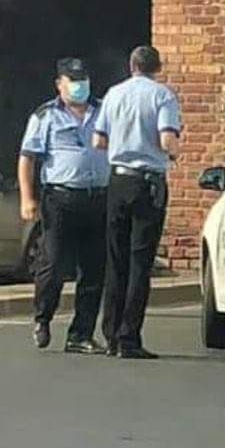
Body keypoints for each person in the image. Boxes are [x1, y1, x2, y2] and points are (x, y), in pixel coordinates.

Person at [93, 45, 182, 360]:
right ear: (157, 67)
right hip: (147, 183)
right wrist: (174, 154)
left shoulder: (113, 94)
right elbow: (166, 139)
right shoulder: (163, 96)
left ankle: (110, 335)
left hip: (117, 180)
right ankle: (129, 337)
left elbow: (98, 141)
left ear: (131, 66)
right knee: (140, 261)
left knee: (115, 260)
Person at [19, 57, 110, 353]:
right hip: (60, 199)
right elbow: (27, 158)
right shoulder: (45, 116)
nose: (80, 85)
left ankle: (80, 334)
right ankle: (43, 318)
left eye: (83, 79)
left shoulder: (104, 111)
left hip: (97, 197)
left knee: (94, 269)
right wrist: (27, 198)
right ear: (59, 84)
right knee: (54, 263)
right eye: (73, 80)